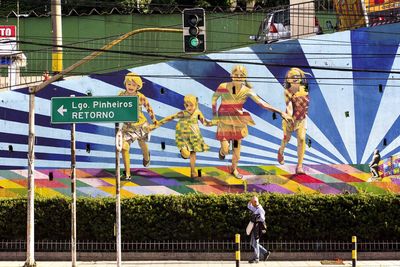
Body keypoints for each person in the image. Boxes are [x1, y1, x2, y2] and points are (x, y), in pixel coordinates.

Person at [212, 65, 292, 179]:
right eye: (236, 74)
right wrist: (215, 115)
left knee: (237, 153)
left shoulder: (247, 91)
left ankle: (233, 169)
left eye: (241, 75)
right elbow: (214, 99)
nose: (238, 77)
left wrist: (280, 112)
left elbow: (262, 104)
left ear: (244, 77)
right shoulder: (223, 86)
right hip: (224, 124)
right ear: (231, 75)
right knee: (225, 150)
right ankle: (222, 152)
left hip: (238, 125)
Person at [148, 95, 216, 178]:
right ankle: (183, 151)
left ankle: (192, 171)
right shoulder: (183, 113)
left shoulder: (198, 112)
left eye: (191, 105)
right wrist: (156, 125)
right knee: (187, 154)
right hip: (182, 135)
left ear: (196, 104)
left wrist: (215, 123)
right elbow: (170, 117)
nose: (189, 107)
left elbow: (205, 123)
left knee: (193, 153)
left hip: (194, 135)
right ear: (184, 106)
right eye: (187, 105)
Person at [119, 72, 158, 180]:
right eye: (129, 84)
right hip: (127, 127)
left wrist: (154, 120)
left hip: (141, 125)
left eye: (133, 84)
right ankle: (127, 174)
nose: (131, 87)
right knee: (124, 147)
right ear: (125, 84)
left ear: (138, 86)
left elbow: (148, 107)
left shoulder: (140, 97)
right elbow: (116, 108)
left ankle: (147, 156)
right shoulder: (121, 95)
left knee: (142, 143)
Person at [277, 67, 310, 174]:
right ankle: (281, 151)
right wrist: (290, 118)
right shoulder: (287, 91)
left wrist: (303, 115)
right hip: (290, 119)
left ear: (300, 78)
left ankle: (299, 166)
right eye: (292, 77)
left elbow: (305, 104)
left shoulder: (305, 88)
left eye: (297, 76)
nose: (295, 78)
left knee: (301, 139)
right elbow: (289, 107)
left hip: (302, 119)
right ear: (288, 80)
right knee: (286, 139)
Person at [247, 195, 271, 263]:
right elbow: (249, 206)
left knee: (255, 242)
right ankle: (265, 252)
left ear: (255, 202)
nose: (251, 203)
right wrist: (250, 201)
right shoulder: (256, 207)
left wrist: (256, 218)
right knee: (253, 243)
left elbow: (263, 218)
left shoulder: (260, 209)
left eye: (252, 202)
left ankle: (256, 258)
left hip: (258, 227)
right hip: (254, 227)